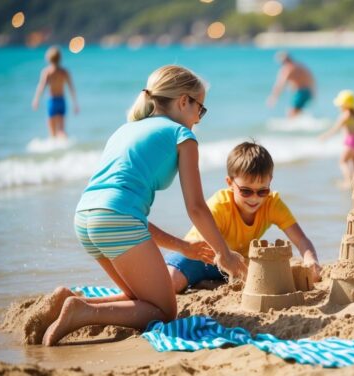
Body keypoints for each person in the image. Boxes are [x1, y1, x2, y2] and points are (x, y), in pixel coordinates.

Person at [41, 65, 247, 346]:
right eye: (201, 109)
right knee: (164, 310)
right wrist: (224, 254)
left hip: (86, 217)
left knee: (139, 299)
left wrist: (184, 247)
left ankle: (70, 299)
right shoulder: (182, 136)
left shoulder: (126, 130)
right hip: (116, 219)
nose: (199, 118)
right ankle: (83, 311)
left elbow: (127, 212)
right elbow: (196, 207)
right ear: (183, 101)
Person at [165, 141, 322, 293]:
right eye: (246, 191)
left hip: (236, 262)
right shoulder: (220, 206)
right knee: (172, 282)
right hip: (199, 257)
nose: (254, 198)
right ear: (230, 183)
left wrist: (311, 259)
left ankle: (205, 283)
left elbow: (301, 240)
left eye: (262, 191)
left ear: (270, 183)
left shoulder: (272, 204)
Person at [32, 46, 79, 139]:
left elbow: (41, 87)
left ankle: (54, 148)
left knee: (52, 133)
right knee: (61, 130)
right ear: (60, 58)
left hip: (52, 102)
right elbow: (71, 88)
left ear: (48, 59)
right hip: (62, 101)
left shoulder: (47, 72)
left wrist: (36, 100)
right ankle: (64, 144)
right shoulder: (64, 72)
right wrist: (75, 104)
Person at [266, 51, 316, 117]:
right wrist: (314, 92)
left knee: (291, 113)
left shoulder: (288, 69)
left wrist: (273, 97)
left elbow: (280, 84)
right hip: (307, 91)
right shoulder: (300, 66)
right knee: (298, 113)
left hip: (300, 92)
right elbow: (311, 79)